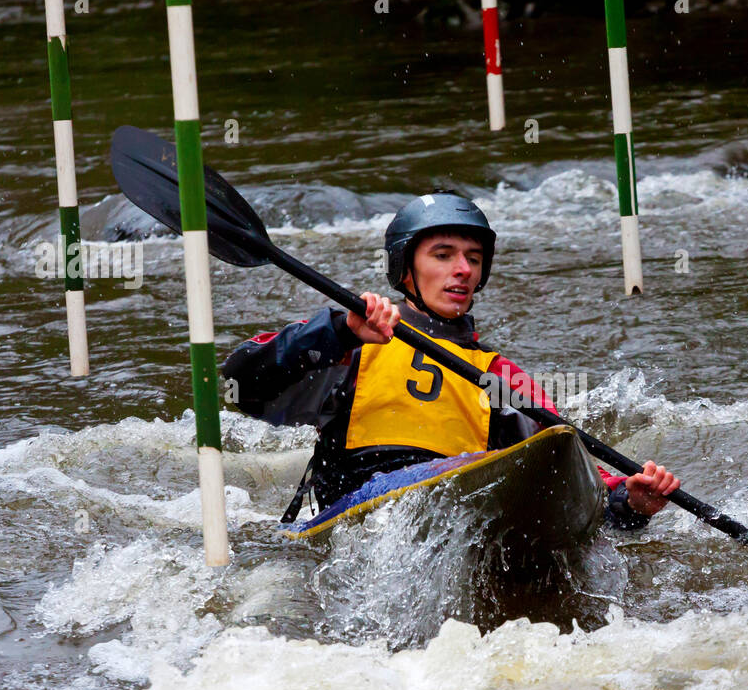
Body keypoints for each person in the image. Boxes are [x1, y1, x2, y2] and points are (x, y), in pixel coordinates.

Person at [222, 191, 680, 529]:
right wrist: (338, 329)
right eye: (443, 255)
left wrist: (628, 501)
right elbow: (241, 385)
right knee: (454, 477)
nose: (463, 269)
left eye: (473, 258)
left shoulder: (499, 375)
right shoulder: (353, 341)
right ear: (405, 269)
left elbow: (568, 484)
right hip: (356, 508)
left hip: (460, 507)